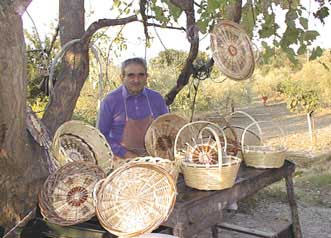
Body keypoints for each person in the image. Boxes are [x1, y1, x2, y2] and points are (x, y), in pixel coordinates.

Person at [97, 57, 169, 160]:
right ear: (122, 77)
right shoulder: (110, 101)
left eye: (141, 75)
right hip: (121, 161)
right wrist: (126, 154)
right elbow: (101, 136)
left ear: (146, 77)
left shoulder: (156, 98)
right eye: (131, 75)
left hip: (154, 160)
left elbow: (167, 128)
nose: (136, 80)